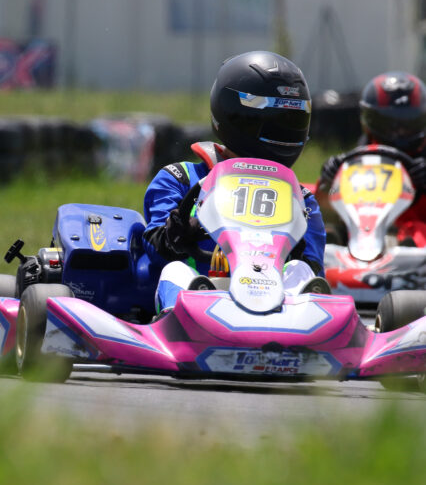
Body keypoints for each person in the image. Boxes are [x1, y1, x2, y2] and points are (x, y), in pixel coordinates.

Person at [142, 51, 328, 313]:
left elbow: (313, 264)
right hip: (202, 299)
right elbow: (152, 248)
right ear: (235, 114)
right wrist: (180, 234)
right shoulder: (181, 179)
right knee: (176, 270)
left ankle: (311, 328)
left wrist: (291, 245)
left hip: (276, 302)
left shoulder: (302, 199)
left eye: (292, 120)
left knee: (300, 269)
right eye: (277, 121)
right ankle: (182, 321)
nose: (285, 130)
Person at [319, 71, 426, 247]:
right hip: (361, 226)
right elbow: (322, 206)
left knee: (417, 230)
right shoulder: (358, 155)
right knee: (328, 228)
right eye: (387, 122)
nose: (397, 131)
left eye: (407, 123)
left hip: (412, 232)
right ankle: (330, 246)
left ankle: (409, 248)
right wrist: (328, 179)